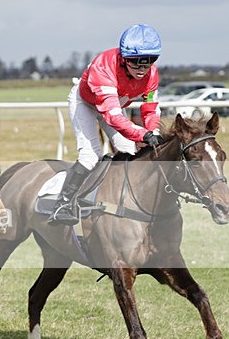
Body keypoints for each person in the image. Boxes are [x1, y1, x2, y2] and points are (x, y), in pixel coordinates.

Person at [49, 24, 164, 225]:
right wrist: (143, 135)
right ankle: (62, 204)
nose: (142, 70)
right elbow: (112, 117)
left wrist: (153, 131)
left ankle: (122, 200)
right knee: (90, 155)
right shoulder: (104, 67)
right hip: (86, 103)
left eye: (149, 63)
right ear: (123, 58)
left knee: (128, 150)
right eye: (136, 63)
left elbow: (150, 109)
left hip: (115, 105)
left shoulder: (151, 74)